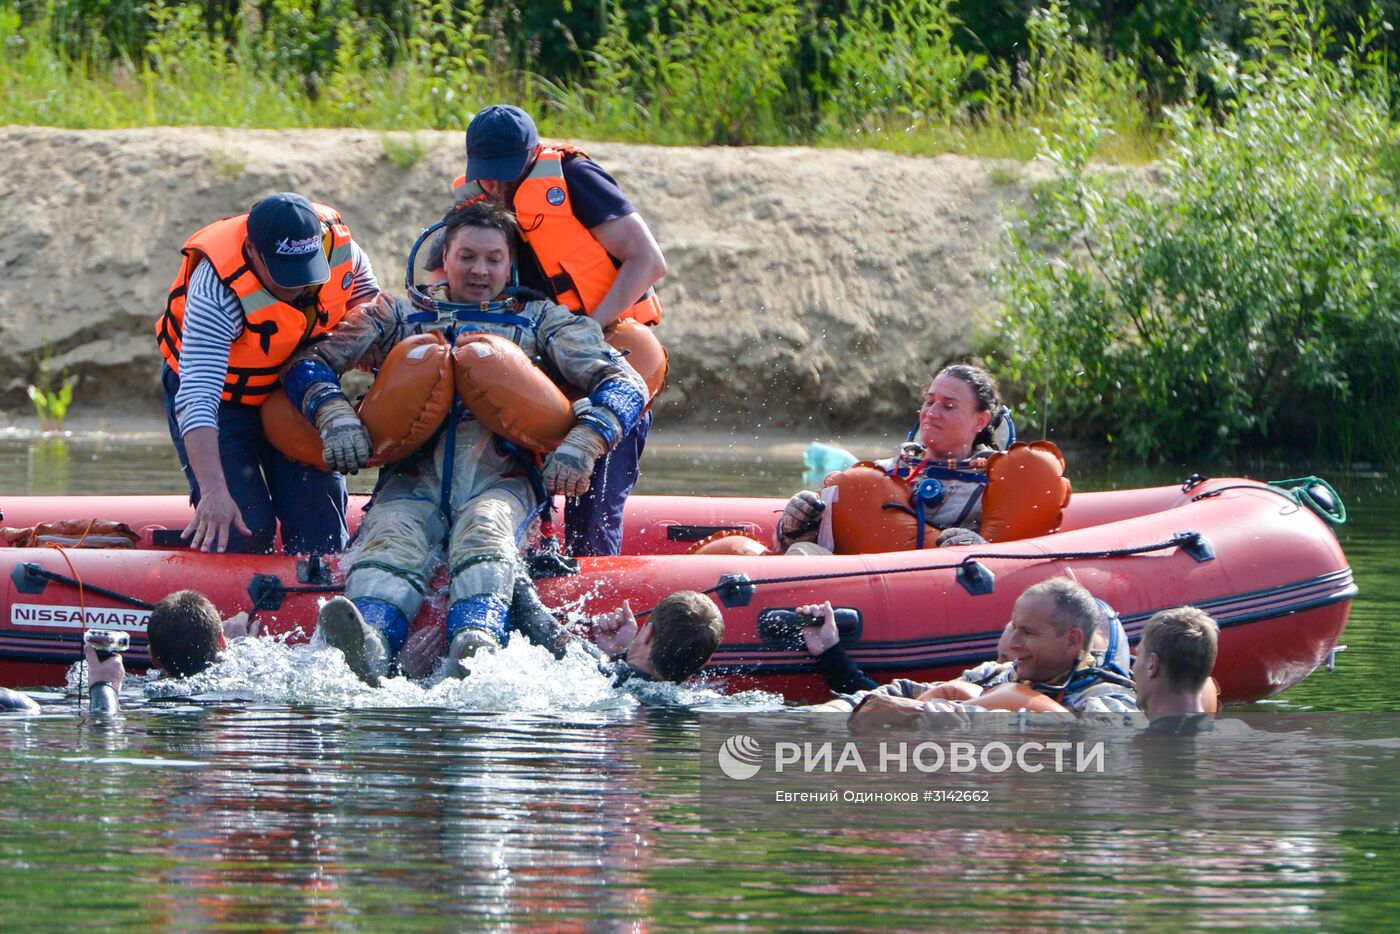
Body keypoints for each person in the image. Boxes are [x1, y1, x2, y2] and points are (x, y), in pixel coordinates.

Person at [294, 200, 649, 683]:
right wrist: (335, 415)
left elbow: (626, 382)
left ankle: (475, 641)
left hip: (503, 485)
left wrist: (585, 441)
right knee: (391, 536)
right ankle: (369, 643)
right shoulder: (393, 316)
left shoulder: (543, 321)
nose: (479, 270)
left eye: (493, 258)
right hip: (410, 481)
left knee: (485, 527)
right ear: (444, 259)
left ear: (510, 263)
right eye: (466, 256)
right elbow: (309, 365)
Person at [448, 104, 667, 558]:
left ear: (532, 155)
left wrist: (590, 328)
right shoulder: (477, 203)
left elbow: (648, 261)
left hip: (606, 353)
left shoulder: (576, 177)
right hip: (530, 364)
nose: (495, 185)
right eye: (487, 173)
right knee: (511, 478)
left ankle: (593, 584)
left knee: (594, 501)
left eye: (506, 172)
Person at [156, 192, 381, 554]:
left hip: (289, 391)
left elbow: (367, 296)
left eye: (304, 272)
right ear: (252, 250)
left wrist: (364, 336)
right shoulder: (217, 288)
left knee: (319, 527)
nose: (294, 287)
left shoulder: (340, 249)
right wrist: (214, 493)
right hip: (222, 401)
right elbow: (198, 398)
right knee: (246, 527)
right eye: (283, 275)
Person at [775, 364, 1010, 553]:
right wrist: (795, 526)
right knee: (801, 550)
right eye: (929, 401)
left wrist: (982, 550)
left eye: (948, 406)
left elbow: (1013, 558)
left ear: (981, 421)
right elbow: (806, 543)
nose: (932, 413)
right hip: (851, 584)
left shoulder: (995, 487)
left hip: (938, 590)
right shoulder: (883, 471)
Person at [845, 577, 1138, 728]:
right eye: (1014, 628)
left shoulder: (1108, 698)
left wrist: (927, 714)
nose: (1011, 644)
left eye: (1029, 633)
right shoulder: (995, 674)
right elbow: (908, 692)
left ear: (1072, 640)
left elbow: (1091, 741)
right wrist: (841, 710)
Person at [508, 578, 724, 687]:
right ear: (704, 662)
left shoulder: (592, 667)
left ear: (648, 633)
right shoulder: (683, 699)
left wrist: (518, 572)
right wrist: (617, 652)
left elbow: (530, 614)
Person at [1133, 606, 1240, 735]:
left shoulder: (1130, 746)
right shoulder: (1238, 731)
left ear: (1152, 664)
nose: (1133, 666)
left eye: (1138, 655)